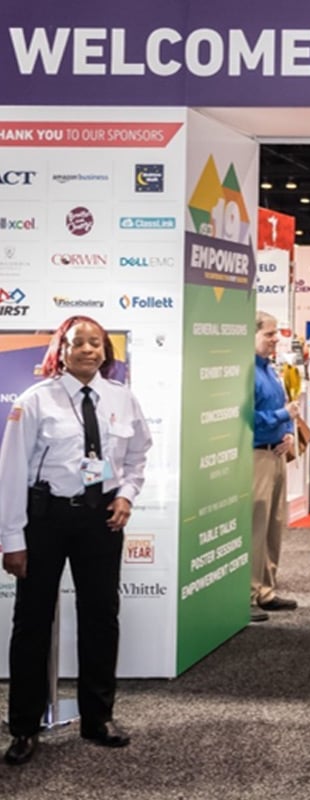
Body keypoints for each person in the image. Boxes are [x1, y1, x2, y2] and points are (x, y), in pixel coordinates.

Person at [1, 316, 152, 765]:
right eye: (77, 343)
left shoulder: (121, 399)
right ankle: (24, 727)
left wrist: (125, 496)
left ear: (105, 350)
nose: (88, 350)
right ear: (61, 350)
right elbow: (10, 473)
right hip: (44, 523)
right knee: (32, 623)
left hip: (99, 521)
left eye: (96, 343)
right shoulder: (35, 401)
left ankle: (98, 718)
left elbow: (139, 453)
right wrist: (12, 539)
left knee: (101, 618)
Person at [251, 312, 301, 620]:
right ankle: (248, 593)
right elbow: (246, 418)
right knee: (255, 525)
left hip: (276, 452)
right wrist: (284, 416)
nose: (275, 339)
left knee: (273, 525)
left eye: (275, 334)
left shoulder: (270, 370)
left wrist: (288, 433)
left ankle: (266, 590)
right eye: (269, 334)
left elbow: (281, 411)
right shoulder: (247, 373)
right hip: (255, 455)